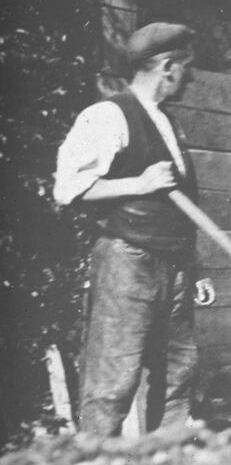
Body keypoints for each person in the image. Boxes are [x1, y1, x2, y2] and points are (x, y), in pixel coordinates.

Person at [54, 22, 215, 437]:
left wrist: (196, 266)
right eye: (187, 67)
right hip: (128, 260)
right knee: (114, 380)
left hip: (174, 264)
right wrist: (138, 184)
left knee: (177, 373)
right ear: (167, 66)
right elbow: (69, 189)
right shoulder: (108, 115)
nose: (191, 76)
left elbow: (180, 205)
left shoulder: (169, 122)